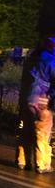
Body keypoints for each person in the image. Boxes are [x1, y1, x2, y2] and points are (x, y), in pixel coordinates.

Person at [16, 31, 55, 173]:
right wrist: (51, 98)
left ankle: (22, 161)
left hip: (26, 99)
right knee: (42, 133)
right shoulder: (52, 61)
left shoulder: (31, 60)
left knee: (25, 132)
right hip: (42, 101)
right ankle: (42, 164)